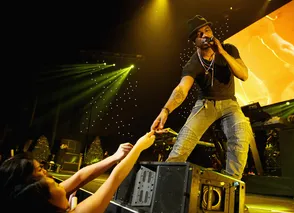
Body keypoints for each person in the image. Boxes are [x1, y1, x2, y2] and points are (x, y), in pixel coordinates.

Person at [151, 15, 254, 180]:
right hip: (206, 104)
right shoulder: (193, 64)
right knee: (184, 142)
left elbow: (243, 75)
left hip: (230, 104)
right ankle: (166, 183)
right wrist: (165, 110)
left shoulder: (229, 49)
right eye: (199, 34)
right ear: (194, 41)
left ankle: (231, 184)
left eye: (207, 30)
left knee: (241, 133)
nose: (205, 35)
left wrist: (222, 52)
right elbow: (181, 90)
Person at [0, 131, 155, 212]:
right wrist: (139, 147)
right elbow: (115, 178)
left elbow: (80, 176)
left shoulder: (37, 198)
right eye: (40, 169)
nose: (62, 186)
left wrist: (115, 157)